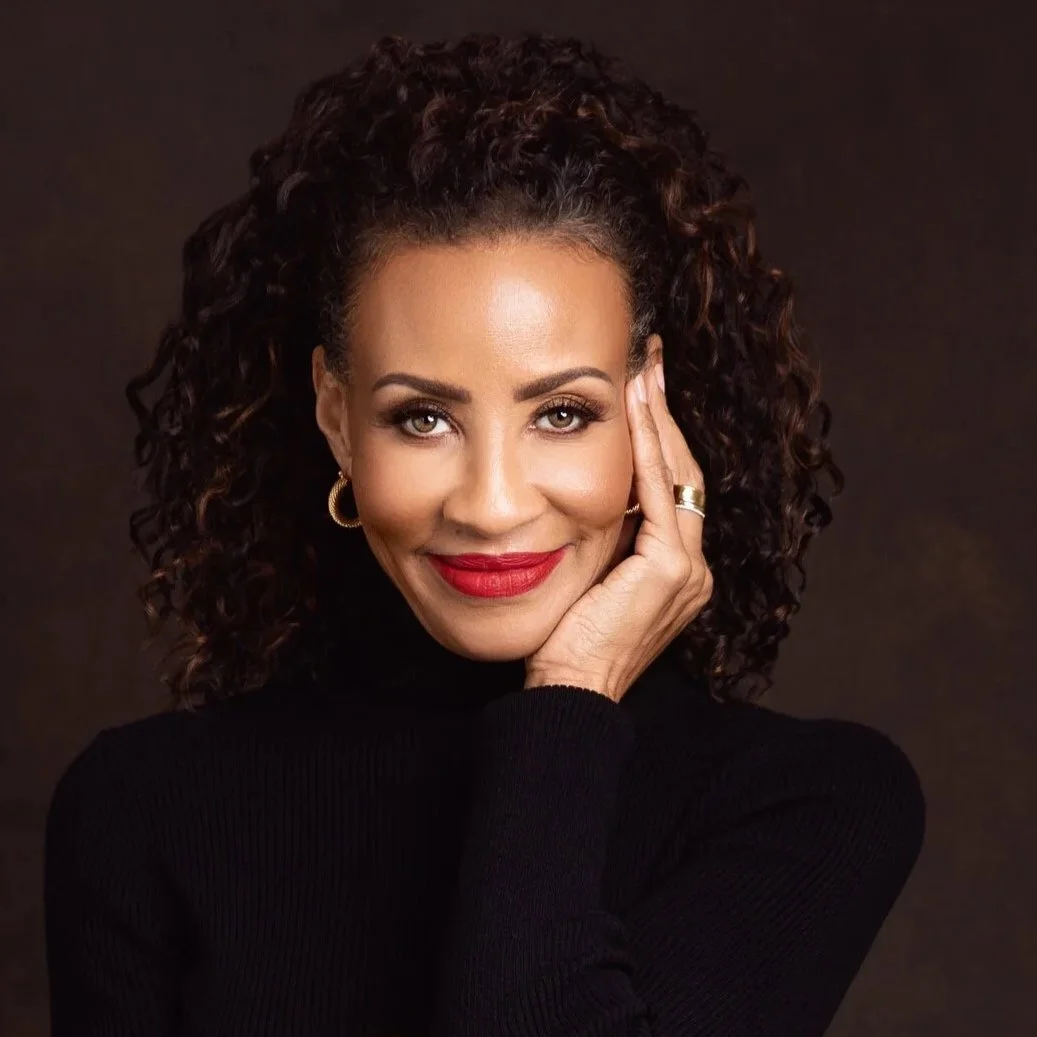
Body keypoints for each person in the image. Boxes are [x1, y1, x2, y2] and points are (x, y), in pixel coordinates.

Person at [42, 30, 926, 1037]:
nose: (491, 504)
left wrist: (569, 700)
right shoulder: (142, 809)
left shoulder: (807, 801)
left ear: (649, 400)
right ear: (336, 414)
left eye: (561, 413)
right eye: (422, 417)